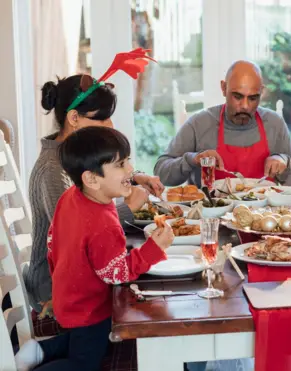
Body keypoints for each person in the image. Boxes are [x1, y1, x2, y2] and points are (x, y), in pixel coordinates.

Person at [14, 126, 174, 371]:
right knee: (84, 361)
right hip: (89, 307)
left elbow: (51, 240)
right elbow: (116, 274)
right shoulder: (104, 224)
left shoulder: (71, 196)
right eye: (120, 164)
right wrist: (153, 249)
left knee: (81, 339)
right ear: (91, 179)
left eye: (127, 161)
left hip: (68, 296)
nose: (130, 170)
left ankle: (39, 350)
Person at [24, 73, 164, 316]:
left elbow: (98, 177)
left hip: (81, 275)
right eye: (101, 118)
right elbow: (79, 230)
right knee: (145, 300)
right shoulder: (53, 170)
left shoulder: (74, 157)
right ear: (74, 118)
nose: (110, 125)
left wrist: (134, 176)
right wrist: (128, 207)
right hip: (57, 290)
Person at [154, 60, 291, 186]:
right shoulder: (199, 124)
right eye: (237, 96)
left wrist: (283, 159)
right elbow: (161, 173)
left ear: (262, 92)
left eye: (253, 98)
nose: (245, 106)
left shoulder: (274, 124)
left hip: (262, 215)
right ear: (224, 88)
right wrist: (192, 159)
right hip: (211, 214)